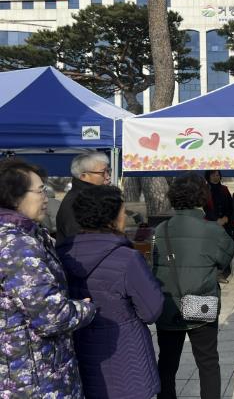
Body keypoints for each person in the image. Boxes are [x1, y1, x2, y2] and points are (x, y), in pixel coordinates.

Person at [0, 159, 95, 397]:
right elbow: (52, 317)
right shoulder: (17, 245)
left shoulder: (28, 233)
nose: (46, 198)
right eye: (40, 191)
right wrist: (85, 308)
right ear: (13, 196)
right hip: (33, 376)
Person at [58, 185, 164, 399]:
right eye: (123, 212)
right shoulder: (127, 259)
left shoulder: (59, 254)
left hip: (78, 353)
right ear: (111, 219)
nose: (125, 217)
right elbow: (151, 311)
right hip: (125, 357)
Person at [153, 172, 234, 399]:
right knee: (208, 362)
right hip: (200, 302)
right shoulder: (212, 230)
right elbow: (226, 259)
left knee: (167, 362)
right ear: (203, 196)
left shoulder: (161, 229)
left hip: (168, 304)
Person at [56, 151, 111, 246]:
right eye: (103, 172)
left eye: (108, 171)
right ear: (83, 176)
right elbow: (81, 243)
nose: (108, 177)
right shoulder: (77, 202)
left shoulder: (91, 197)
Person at [204, 170, 234, 283]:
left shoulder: (224, 189)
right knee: (212, 249)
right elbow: (204, 208)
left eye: (217, 175)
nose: (216, 177)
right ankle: (214, 273)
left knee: (224, 247)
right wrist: (216, 220)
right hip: (210, 223)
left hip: (225, 223)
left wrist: (226, 217)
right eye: (213, 175)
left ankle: (220, 271)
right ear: (208, 176)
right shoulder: (204, 190)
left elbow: (230, 206)